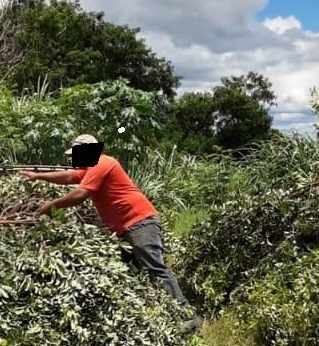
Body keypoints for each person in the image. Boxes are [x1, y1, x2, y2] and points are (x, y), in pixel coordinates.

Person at [20, 134, 201, 330]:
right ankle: (152, 316)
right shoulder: (90, 168)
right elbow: (67, 177)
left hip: (139, 222)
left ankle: (187, 317)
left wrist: (51, 206)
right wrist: (37, 175)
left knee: (154, 268)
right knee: (128, 272)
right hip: (125, 228)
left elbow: (80, 194)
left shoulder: (102, 163)